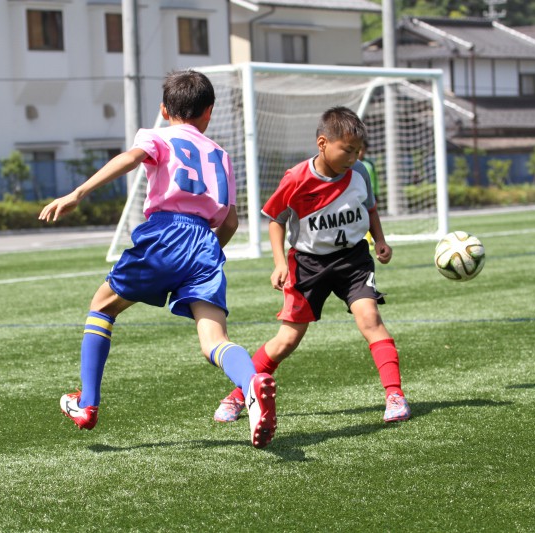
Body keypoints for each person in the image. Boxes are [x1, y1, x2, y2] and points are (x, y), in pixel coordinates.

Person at [39, 69, 277, 449]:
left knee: (102, 306)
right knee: (213, 340)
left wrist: (78, 193)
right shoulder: (221, 155)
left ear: (165, 110)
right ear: (209, 112)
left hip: (167, 231)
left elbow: (130, 159)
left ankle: (87, 404)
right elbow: (230, 221)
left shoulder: (157, 136)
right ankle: (250, 383)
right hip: (205, 241)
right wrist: (207, 250)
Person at [212, 106, 410, 425]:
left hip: (353, 260)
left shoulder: (360, 173)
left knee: (370, 318)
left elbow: (370, 209)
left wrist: (381, 241)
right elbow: (276, 221)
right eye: (347, 149)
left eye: (358, 150)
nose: (353, 157)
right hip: (308, 265)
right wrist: (279, 263)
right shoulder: (296, 178)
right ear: (322, 143)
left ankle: (395, 396)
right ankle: (238, 396)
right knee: (287, 339)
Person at [359, 140, 379, 250]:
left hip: (369, 195)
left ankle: (369, 240)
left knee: (369, 217)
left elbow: (375, 180)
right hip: (358, 196)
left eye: (362, 150)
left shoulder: (369, 164)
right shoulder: (350, 165)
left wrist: (376, 193)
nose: (360, 152)